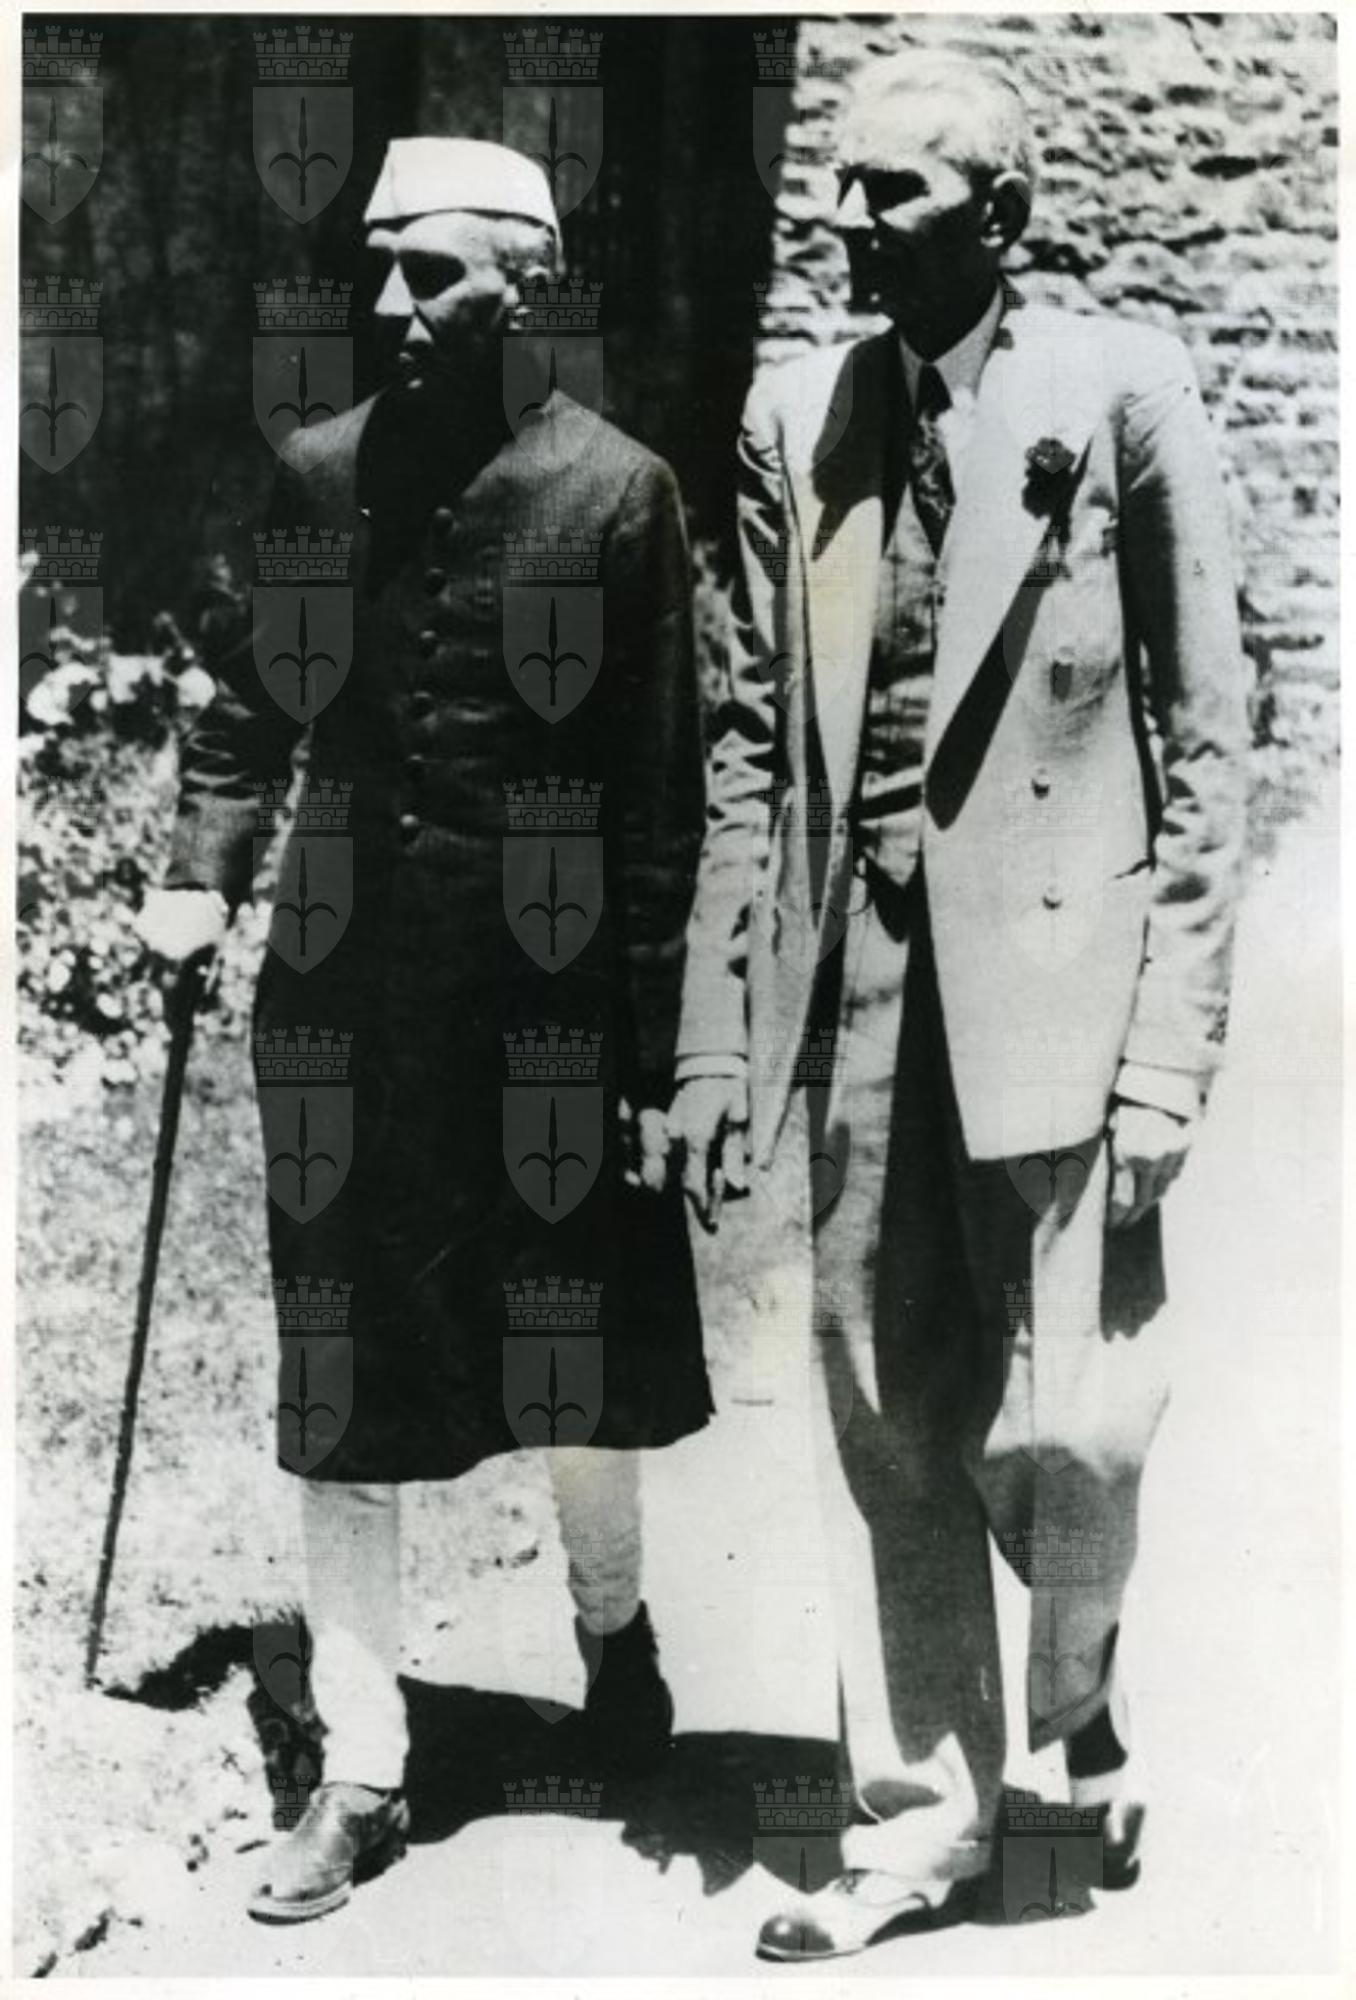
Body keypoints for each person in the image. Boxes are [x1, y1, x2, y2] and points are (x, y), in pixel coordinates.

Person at [669, 51, 1247, 1961]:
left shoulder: (1123, 392)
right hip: (856, 988)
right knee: (882, 1407)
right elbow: (752, 745)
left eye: (893, 189)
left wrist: (1168, 1053)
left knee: (1071, 1428)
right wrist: (715, 1032)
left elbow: (1208, 746)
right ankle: (921, 1814)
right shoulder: (796, 416)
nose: (850, 217)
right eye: (840, 184)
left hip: (1069, 995)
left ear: (1000, 216)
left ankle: (1081, 1696)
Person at [138, 136, 710, 1923]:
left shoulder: (619, 495)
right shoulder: (323, 472)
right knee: (347, 1366)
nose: (392, 303)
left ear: (528, 287)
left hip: (546, 1002)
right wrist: (200, 876)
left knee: (571, 1345)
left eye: (435, 273)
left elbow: (660, 798)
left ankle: (612, 1631)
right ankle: (365, 1765)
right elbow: (254, 703)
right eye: (379, 267)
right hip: (348, 993)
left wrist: (654, 1055)